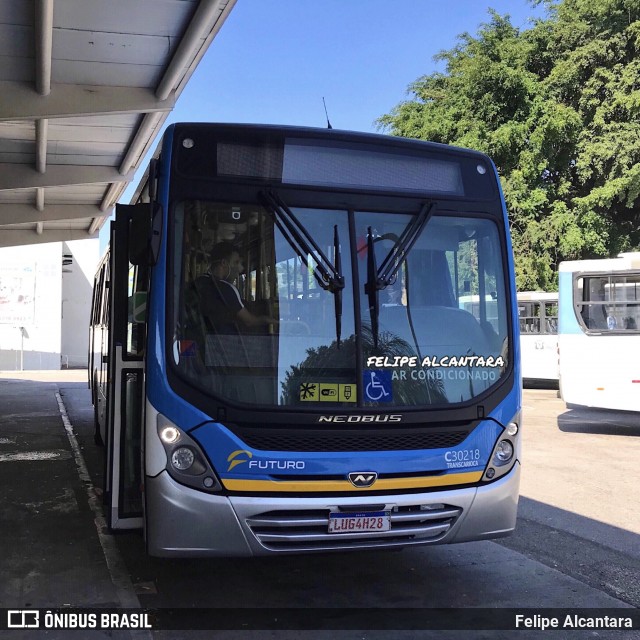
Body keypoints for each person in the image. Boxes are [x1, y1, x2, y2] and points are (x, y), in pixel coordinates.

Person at [194, 241, 275, 334]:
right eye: (236, 262)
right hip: (223, 343)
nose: (240, 269)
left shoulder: (198, 282)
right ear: (224, 263)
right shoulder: (226, 289)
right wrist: (268, 319)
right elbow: (250, 321)